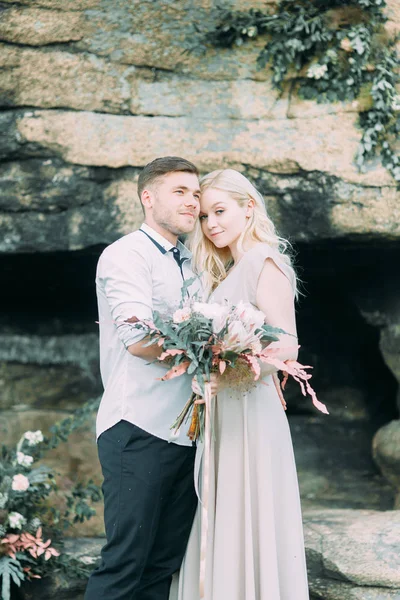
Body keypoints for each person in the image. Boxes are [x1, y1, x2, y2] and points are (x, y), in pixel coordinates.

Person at [171, 169, 309, 600]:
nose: (211, 224)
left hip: (249, 409)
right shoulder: (225, 272)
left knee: (246, 512)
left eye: (220, 211)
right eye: (205, 216)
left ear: (249, 208)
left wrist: (226, 370)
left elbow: (287, 344)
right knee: (222, 513)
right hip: (221, 411)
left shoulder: (262, 261)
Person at [85, 157, 202, 600]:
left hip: (187, 436)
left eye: (195, 194)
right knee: (124, 564)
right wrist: (213, 350)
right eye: (180, 192)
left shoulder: (189, 262)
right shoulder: (125, 254)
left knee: (161, 567)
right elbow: (136, 338)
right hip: (137, 426)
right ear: (148, 197)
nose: (192, 201)